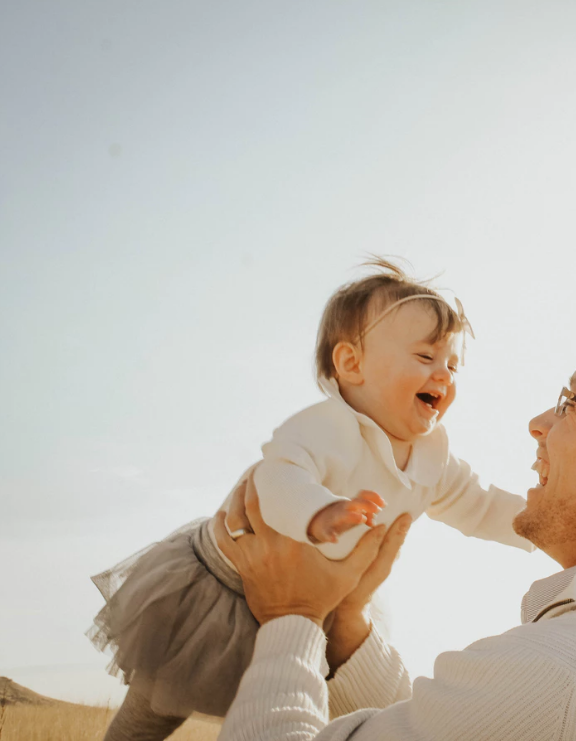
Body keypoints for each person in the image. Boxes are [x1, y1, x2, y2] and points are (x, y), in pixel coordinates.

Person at [213, 314, 576, 741]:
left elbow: (540, 698)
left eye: (572, 403)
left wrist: (292, 615)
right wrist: (345, 627)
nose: (538, 423)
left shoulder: (568, 673)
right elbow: (471, 721)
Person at [87, 259, 533, 741]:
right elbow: (277, 479)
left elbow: (481, 506)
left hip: (314, 603)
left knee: (286, 703)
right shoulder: (327, 426)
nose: (443, 375)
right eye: (426, 358)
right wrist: (319, 511)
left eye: (452, 364)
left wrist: (537, 526)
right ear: (351, 364)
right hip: (222, 589)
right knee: (154, 708)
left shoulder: (434, 457)